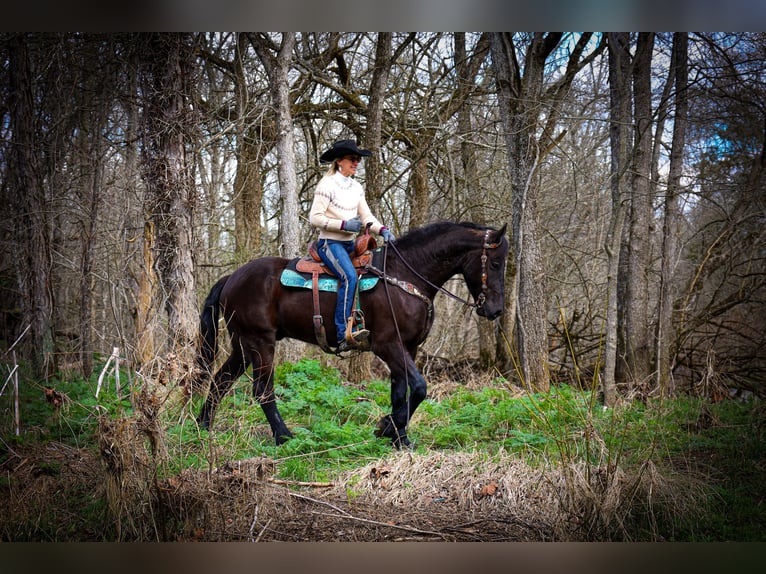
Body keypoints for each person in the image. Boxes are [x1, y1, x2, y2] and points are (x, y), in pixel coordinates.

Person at [309, 139, 395, 353]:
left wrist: (382, 230)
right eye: (353, 159)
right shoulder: (326, 185)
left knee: (371, 273)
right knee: (348, 276)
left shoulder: (356, 187)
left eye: (358, 160)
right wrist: (344, 224)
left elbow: (366, 217)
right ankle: (342, 334)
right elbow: (315, 217)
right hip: (330, 244)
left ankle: (361, 323)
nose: (357, 163)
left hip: (350, 244)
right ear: (339, 161)